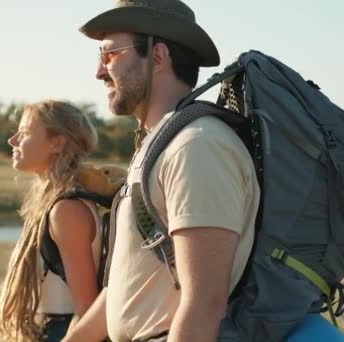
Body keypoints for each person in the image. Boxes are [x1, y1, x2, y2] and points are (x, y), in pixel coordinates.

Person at [63, 1, 260, 341]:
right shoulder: (159, 146)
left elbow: (204, 303)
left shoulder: (197, 147)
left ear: (157, 58)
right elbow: (129, 288)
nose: (98, 71)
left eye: (110, 55)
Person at [0, 99, 102, 341]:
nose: (13, 141)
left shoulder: (66, 210)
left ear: (57, 143)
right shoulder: (56, 203)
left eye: (25, 132)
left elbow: (88, 309)